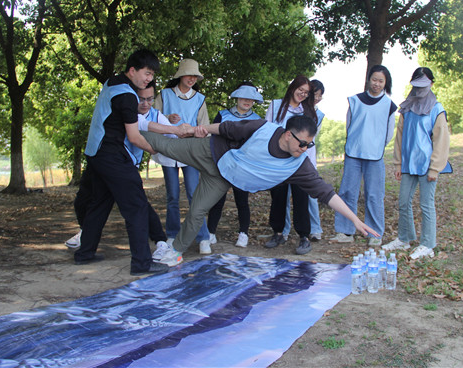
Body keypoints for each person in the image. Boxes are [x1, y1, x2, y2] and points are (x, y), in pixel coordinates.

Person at [140, 115, 380, 266]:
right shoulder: (261, 128)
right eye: (302, 143)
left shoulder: (299, 165)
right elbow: (227, 128)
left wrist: (355, 219)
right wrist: (195, 130)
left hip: (222, 177)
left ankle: (175, 252)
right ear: (288, 135)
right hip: (210, 151)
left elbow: (326, 193)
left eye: (310, 144)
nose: (305, 149)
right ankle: (128, 127)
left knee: (197, 211)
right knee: (165, 145)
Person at [65, 83, 192, 268]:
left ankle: (87, 249)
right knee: (123, 205)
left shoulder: (157, 115)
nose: (146, 103)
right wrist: (175, 130)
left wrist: (188, 132)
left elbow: (173, 136)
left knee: (107, 204)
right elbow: (142, 125)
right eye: (141, 99)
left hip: (124, 165)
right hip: (111, 163)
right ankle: (90, 243)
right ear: (133, 97)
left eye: (150, 99)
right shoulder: (124, 108)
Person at [74, 49, 171, 276]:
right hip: (111, 155)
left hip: (95, 153)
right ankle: (141, 263)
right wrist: (157, 149)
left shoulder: (111, 83)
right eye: (146, 73)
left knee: (100, 203)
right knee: (136, 206)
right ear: (132, 70)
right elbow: (135, 137)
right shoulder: (128, 97)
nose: (149, 79)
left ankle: (85, 253)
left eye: (152, 75)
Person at [382, 67, 452, 259]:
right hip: (408, 165)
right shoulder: (406, 108)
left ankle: (427, 244)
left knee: (426, 204)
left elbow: (441, 141)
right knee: (404, 202)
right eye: (417, 85)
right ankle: (404, 239)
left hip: (428, 166)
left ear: (431, 84)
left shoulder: (437, 109)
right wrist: (398, 164)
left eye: (424, 85)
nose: (420, 90)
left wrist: (435, 168)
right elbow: (400, 138)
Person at [331, 65, 397, 246]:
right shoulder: (355, 100)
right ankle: (345, 231)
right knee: (347, 192)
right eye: (374, 79)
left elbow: (389, 133)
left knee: (375, 195)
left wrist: (375, 145)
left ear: (386, 83)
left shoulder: (389, 105)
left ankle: (374, 233)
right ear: (368, 79)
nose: (376, 84)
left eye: (381, 81)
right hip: (353, 152)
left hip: (375, 156)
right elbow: (349, 125)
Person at [153, 58, 212, 254]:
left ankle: (203, 237)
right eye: (189, 74)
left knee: (195, 195)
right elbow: (152, 117)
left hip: (191, 150)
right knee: (172, 195)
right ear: (180, 75)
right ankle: (172, 234)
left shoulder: (200, 99)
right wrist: (168, 119)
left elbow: (205, 126)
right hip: (169, 149)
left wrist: (193, 131)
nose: (192, 79)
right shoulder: (164, 95)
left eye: (195, 76)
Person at [206, 82, 263, 248]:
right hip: (222, 162)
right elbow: (212, 138)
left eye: (251, 98)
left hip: (243, 165)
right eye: (244, 97)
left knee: (242, 200)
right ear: (237, 96)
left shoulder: (257, 120)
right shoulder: (222, 115)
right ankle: (210, 232)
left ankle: (243, 233)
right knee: (217, 199)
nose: (247, 101)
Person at [265, 75, 318, 253]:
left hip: (300, 162)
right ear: (292, 87)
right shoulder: (275, 105)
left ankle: (304, 237)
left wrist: (310, 165)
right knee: (278, 198)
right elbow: (267, 131)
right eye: (300, 90)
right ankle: (278, 233)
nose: (302, 94)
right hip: (279, 161)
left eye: (306, 92)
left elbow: (311, 141)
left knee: (301, 199)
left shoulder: (309, 111)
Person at [281, 79, 325, 241]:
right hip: (285, 157)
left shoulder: (316, 115)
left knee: (309, 195)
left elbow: (311, 139)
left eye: (320, 96)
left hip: (306, 157)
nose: (317, 98)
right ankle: (283, 231)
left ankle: (315, 229)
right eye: (315, 94)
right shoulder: (287, 108)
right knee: (283, 196)